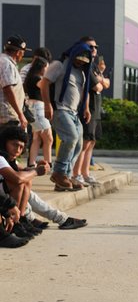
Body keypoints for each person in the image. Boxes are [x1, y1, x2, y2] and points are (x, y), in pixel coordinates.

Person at [40, 42, 93, 191]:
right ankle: (59, 172)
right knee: (71, 138)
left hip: (74, 112)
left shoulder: (81, 72)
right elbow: (44, 84)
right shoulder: (58, 65)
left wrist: (86, 108)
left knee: (78, 145)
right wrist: (47, 104)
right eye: (79, 58)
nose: (80, 62)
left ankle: (65, 178)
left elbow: (84, 91)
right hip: (60, 109)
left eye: (84, 61)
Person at [72, 55, 110, 186]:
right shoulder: (87, 67)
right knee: (85, 143)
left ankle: (85, 172)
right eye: (91, 47)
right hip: (89, 109)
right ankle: (76, 174)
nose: (93, 50)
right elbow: (97, 87)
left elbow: (106, 83)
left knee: (92, 142)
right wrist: (101, 82)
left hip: (97, 110)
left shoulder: (95, 67)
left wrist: (101, 79)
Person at [24, 58, 53, 167]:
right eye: (47, 67)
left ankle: (32, 163)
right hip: (38, 108)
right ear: (41, 67)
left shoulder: (31, 77)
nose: (48, 70)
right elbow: (44, 86)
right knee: (48, 137)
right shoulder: (36, 78)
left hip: (35, 108)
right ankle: (48, 163)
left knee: (37, 138)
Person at [0, 35, 31, 130]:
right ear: (18, 52)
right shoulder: (6, 64)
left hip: (5, 116)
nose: (23, 55)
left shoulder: (3, 61)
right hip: (8, 117)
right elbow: (8, 89)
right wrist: (20, 114)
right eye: (23, 52)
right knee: (14, 143)